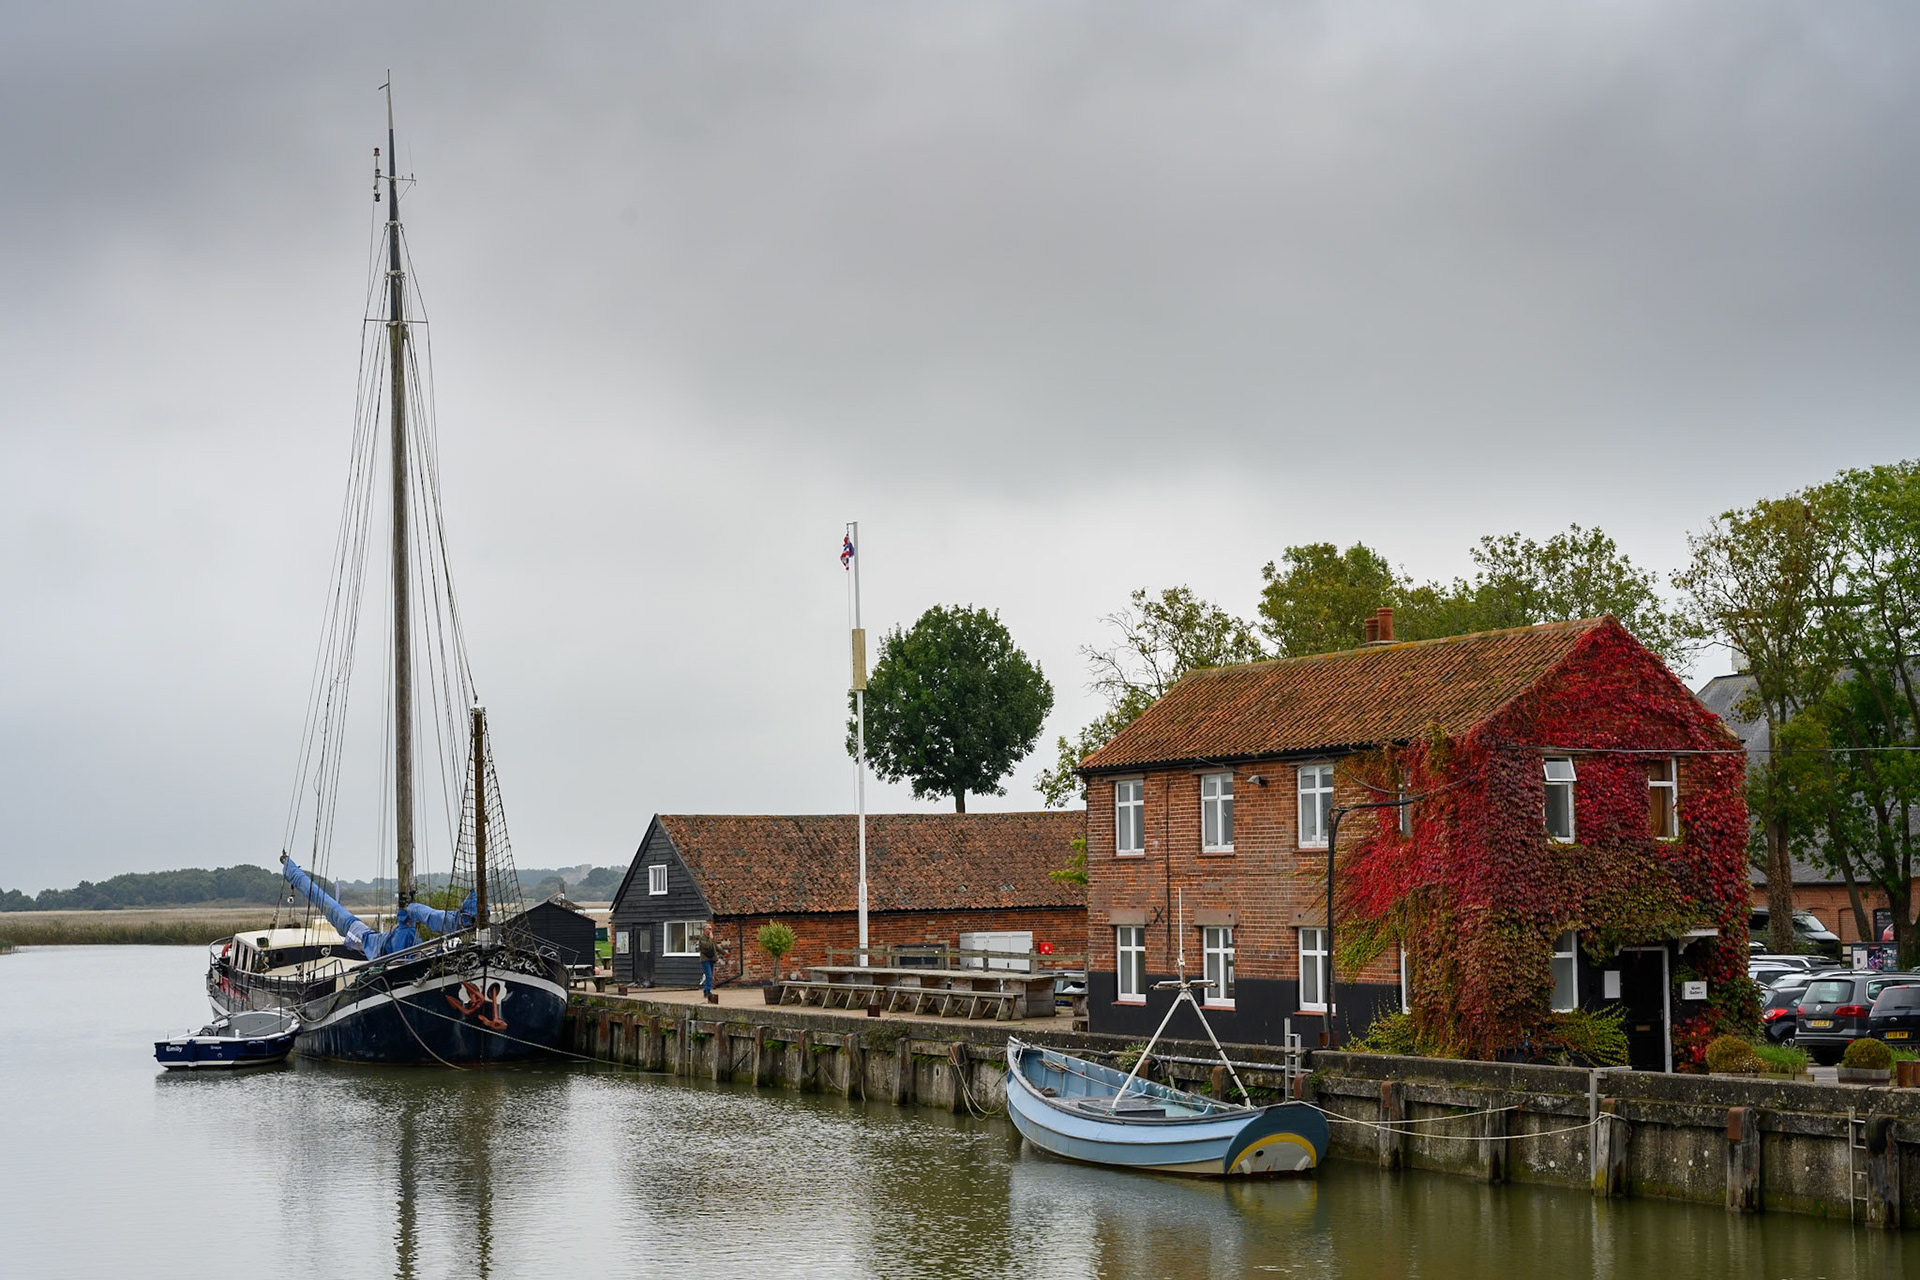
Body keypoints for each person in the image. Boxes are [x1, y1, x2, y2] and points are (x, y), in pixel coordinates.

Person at [697, 925, 727, 1003]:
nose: (710, 930)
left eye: (711, 929)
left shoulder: (711, 938)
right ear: (704, 930)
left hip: (712, 959)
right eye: (709, 929)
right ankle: (708, 992)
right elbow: (707, 946)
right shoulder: (702, 938)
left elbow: (715, 947)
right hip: (705, 959)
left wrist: (724, 953)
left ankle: (706, 990)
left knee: (710, 976)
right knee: (709, 976)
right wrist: (711, 938)